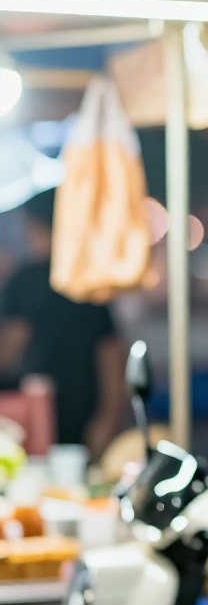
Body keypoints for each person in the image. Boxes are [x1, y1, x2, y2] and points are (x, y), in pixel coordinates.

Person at [0, 189, 126, 458]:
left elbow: (10, 348)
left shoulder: (26, 280)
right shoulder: (88, 279)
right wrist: (108, 417)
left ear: (35, 224)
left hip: (31, 418)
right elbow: (111, 353)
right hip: (84, 411)